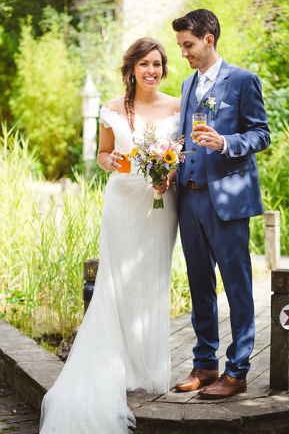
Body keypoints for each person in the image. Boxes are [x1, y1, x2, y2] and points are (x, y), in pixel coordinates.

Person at [39, 37, 180, 433]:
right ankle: (115, 363)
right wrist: (111, 160)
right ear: (131, 68)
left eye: (157, 64)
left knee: (153, 277)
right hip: (121, 201)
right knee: (117, 280)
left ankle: (148, 366)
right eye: (144, 64)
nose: (152, 71)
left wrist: (167, 175)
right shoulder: (113, 109)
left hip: (159, 202)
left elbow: (181, 157)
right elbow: (102, 156)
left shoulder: (177, 106)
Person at [171, 9, 270, 399]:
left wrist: (227, 143)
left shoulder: (243, 81)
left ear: (208, 39)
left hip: (227, 199)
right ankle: (205, 364)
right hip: (188, 197)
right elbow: (182, 138)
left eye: (188, 45)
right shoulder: (185, 84)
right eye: (181, 46)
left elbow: (261, 134)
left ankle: (239, 369)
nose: (184, 53)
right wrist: (168, 161)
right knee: (199, 285)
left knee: (237, 286)